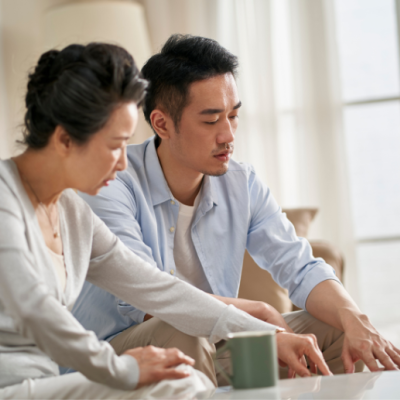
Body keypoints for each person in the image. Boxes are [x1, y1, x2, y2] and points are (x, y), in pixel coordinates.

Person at [0, 42, 332, 399]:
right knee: (177, 382)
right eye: (114, 145)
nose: (123, 162)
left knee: (182, 380)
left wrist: (267, 334)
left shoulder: (72, 212)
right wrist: (124, 368)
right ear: (65, 139)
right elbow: (37, 312)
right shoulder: (5, 198)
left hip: (49, 381)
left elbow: (160, 290)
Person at [72, 34, 400, 385]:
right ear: (162, 123)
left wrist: (353, 318)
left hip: (220, 343)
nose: (228, 135)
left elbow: (300, 266)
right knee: (182, 330)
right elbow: (148, 297)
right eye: (212, 121)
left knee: (330, 329)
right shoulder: (112, 181)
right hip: (118, 354)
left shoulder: (240, 182)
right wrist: (259, 315)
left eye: (233, 115)